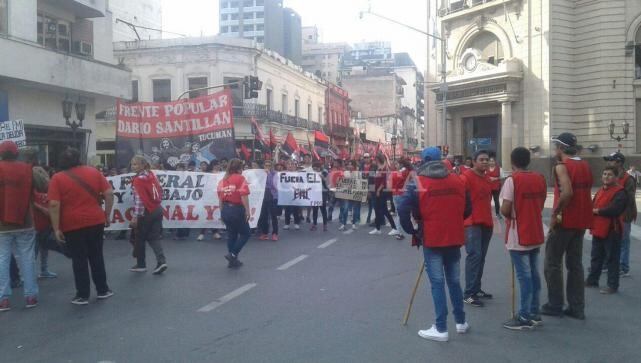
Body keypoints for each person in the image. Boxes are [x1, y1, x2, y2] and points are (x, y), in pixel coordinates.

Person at [398, 147, 471, 342]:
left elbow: (402, 207)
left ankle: (440, 328)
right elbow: (467, 208)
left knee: (437, 283)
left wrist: (411, 230)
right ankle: (461, 322)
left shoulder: (417, 182)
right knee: (454, 281)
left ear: (423, 161)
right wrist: (453, 218)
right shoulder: (457, 179)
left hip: (432, 238)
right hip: (454, 237)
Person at [49, 148, 114, 305]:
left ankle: (82, 294)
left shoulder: (57, 178)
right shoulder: (93, 172)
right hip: (95, 220)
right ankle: (103, 289)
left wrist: (56, 227)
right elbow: (109, 193)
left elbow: (54, 204)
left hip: (72, 223)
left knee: (79, 259)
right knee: (96, 255)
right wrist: (107, 214)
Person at [542, 133, 593, 320]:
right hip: (582, 221)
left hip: (566, 222)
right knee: (575, 264)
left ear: (561, 148)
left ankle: (555, 304)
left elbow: (568, 192)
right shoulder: (585, 165)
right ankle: (577, 307)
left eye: (556, 146)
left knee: (552, 263)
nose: (555, 150)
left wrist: (555, 214)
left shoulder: (561, 167)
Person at [500, 147, 547, 330]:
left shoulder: (512, 180)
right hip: (535, 230)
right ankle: (534, 312)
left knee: (524, 277)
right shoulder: (540, 178)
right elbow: (541, 203)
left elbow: (505, 208)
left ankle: (525, 315)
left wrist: (509, 215)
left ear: (512, 161)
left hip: (519, 233)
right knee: (534, 274)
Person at [0, 141, 45, 311]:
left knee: (2, 259)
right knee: (27, 258)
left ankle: (3, 299)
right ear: (16, 153)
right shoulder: (27, 168)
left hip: (1, 224)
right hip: (25, 221)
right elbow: (43, 186)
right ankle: (31, 297)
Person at [586, 166, 627, 294]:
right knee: (596, 256)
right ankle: (593, 280)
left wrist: (597, 211)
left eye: (609, 174)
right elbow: (592, 204)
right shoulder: (600, 190)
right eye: (604, 174)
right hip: (598, 227)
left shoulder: (620, 192)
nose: (606, 176)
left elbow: (614, 209)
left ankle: (612, 285)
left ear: (615, 177)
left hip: (611, 229)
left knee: (612, 258)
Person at [460, 150, 494, 307]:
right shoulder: (465, 177)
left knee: (481, 257)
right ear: (473, 161)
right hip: (471, 223)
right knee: (474, 256)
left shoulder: (487, 177)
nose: (485, 162)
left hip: (486, 222)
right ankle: (469, 293)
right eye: (481, 159)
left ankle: (476, 288)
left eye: (487, 159)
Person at [129, 156, 167, 275]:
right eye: (132, 164)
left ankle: (141, 264)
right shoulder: (151, 175)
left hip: (146, 211)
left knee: (139, 238)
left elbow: (139, 200)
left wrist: (136, 216)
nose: (133, 166)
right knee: (153, 237)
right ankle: (161, 261)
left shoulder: (138, 180)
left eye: (135, 164)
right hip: (157, 209)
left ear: (142, 165)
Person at [604, 152, 637, 278]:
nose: (609, 163)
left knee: (623, 241)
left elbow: (629, 199)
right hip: (611, 213)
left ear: (618, 163)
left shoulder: (628, 179)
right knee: (609, 240)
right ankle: (609, 264)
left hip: (623, 214)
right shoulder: (610, 176)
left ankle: (623, 267)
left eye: (611, 161)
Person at [218, 159, 251, 268]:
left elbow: (220, 199)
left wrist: (221, 213)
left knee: (232, 235)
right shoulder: (240, 178)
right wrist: (247, 210)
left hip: (226, 209)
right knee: (246, 233)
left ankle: (232, 262)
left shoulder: (223, 180)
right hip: (236, 209)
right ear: (239, 168)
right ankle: (232, 255)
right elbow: (244, 195)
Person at [369, 155, 400, 236]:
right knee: (376, 209)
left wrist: (379, 190)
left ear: (379, 159)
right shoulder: (375, 167)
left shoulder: (385, 168)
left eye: (375, 159)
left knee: (384, 210)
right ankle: (377, 228)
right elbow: (372, 179)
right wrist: (371, 190)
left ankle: (394, 228)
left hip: (382, 191)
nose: (374, 161)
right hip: (375, 191)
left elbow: (384, 181)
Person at [390, 158, 413, 238]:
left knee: (398, 214)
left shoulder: (394, 173)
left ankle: (398, 231)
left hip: (394, 194)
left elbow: (390, 185)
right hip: (402, 194)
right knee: (402, 214)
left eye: (397, 164)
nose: (396, 165)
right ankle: (399, 232)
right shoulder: (407, 172)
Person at [257, 160, 279, 241]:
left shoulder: (275, 174)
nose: (267, 167)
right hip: (263, 197)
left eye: (269, 165)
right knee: (263, 216)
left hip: (272, 197)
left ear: (272, 166)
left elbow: (272, 185)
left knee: (273, 216)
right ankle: (265, 233)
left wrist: (268, 174)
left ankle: (275, 233)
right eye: (266, 165)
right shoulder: (261, 174)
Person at [339, 160, 362, 230]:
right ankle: (343, 224)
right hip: (347, 192)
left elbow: (360, 183)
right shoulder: (345, 172)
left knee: (354, 209)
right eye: (349, 165)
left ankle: (353, 224)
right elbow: (342, 181)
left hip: (355, 192)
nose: (349, 166)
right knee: (345, 209)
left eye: (351, 165)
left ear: (354, 166)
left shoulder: (358, 173)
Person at [283, 160, 302, 230]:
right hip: (287, 194)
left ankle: (296, 223)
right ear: (286, 165)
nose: (290, 165)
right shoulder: (283, 173)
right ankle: (287, 223)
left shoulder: (298, 174)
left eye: (292, 164)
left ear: (295, 166)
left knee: (296, 209)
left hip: (296, 193)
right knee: (287, 209)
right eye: (289, 164)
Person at [311, 162, 329, 231]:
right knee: (315, 209)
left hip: (322, 192)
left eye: (316, 167)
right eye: (314, 168)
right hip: (314, 192)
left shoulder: (324, 171)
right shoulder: (312, 172)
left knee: (323, 209)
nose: (315, 169)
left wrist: (320, 176)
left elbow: (326, 180)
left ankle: (325, 225)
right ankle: (314, 224)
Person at [361, 153, 376, 225]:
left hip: (371, 185)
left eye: (367, 157)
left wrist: (370, 190)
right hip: (364, 185)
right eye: (365, 157)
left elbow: (373, 177)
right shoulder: (362, 166)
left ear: (370, 158)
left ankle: (370, 218)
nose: (366, 158)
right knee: (368, 203)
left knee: (372, 202)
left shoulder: (373, 166)